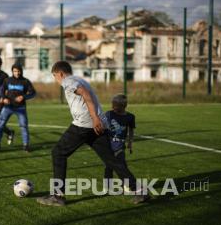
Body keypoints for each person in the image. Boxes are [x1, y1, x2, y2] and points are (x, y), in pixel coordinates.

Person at [36, 61, 149, 206]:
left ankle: (57, 196)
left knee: (58, 153)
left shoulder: (68, 81)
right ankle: (139, 190)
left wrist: (94, 118)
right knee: (111, 160)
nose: (55, 79)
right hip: (98, 124)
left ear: (61, 73)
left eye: (54, 76)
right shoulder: (80, 79)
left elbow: (85, 94)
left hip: (85, 124)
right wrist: (97, 119)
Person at [0, 63, 36, 152]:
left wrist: (24, 97)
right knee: (0, 125)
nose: (17, 73)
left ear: (21, 71)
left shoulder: (25, 81)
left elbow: (33, 93)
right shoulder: (7, 80)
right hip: (8, 107)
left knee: (23, 126)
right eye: (15, 71)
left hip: (20, 108)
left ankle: (26, 145)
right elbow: (2, 90)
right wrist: (4, 98)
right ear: (12, 72)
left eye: (18, 71)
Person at [104, 94, 135, 182]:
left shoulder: (130, 117)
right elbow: (102, 126)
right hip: (108, 145)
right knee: (108, 166)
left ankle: (126, 184)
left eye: (115, 106)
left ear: (124, 106)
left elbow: (131, 130)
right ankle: (108, 186)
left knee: (122, 165)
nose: (113, 107)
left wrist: (130, 142)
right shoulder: (109, 114)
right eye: (112, 105)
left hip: (120, 146)